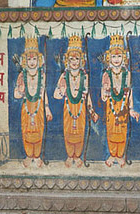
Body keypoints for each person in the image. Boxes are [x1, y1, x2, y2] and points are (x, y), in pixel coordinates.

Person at [54, 35, 98, 168]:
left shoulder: (84, 76)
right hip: (68, 107)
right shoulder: (64, 76)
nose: (74, 62)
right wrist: (62, 90)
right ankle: (69, 155)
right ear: (67, 60)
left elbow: (88, 96)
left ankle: (77, 156)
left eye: (77, 58)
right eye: (71, 59)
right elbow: (56, 95)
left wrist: (92, 112)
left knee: (80, 131)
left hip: (81, 108)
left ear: (82, 60)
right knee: (68, 131)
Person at [14, 37, 53, 168]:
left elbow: (43, 93)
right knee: (26, 130)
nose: (32, 62)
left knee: (38, 130)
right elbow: (16, 94)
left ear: (39, 60)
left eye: (34, 59)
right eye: (29, 59)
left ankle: (36, 156)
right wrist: (20, 90)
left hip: (38, 106)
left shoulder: (42, 75)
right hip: (26, 106)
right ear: (25, 61)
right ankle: (28, 155)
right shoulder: (21, 75)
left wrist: (47, 109)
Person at [101, 33, 139, 168]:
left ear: (124, 57)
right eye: (113, 56)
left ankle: (120, 154)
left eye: (119, 56)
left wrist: (131, 109)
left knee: (123, 130)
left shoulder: (127, 74)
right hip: (111, 106)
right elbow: (103, 96)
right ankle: (112, 154)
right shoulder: (106, 74)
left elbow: (129, 92)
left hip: (123, 106)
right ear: (108, 58)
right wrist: (106, 90)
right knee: (111, 129)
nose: (116, 59)